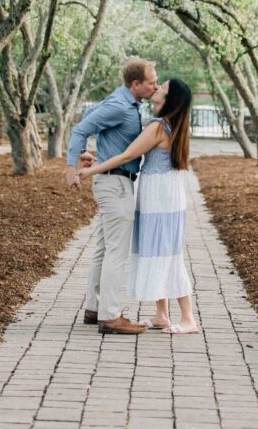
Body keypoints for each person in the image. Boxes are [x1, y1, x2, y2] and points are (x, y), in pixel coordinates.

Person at [80, 78, 198, 334]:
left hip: (160, 197)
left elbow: (128, 155)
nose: (155, 89)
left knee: (166, 253)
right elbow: (128, 152)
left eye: (161, 87)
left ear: (169, 100)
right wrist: (97, 159)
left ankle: (188, 318)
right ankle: (161, 315)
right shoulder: (169, 126)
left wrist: (90, 172)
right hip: (164, 193)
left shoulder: (158, 128)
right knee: (157, 250)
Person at [66, 57, 159, 335]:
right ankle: (110, 316)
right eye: (151, 82)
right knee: (116, 253)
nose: (155, 86)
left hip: (113, 183)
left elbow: (88, 120)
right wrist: (72, 166)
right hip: (116, 184)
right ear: (136, 84)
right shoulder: (120, 106)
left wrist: (84, 152)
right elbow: (81, 128)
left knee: (104, 249)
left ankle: (94, 308)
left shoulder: (122, 102)